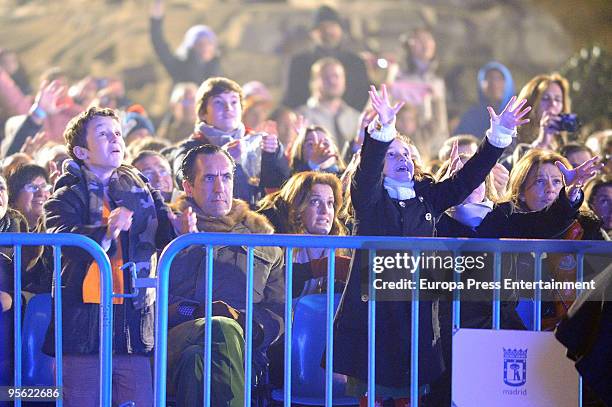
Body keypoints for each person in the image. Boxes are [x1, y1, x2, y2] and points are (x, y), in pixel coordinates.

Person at [332, 84, 530, 404]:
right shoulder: (370, 202)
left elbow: (467, 179)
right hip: (374, 318)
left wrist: (498, 136)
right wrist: (382, 130)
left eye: (408, 155)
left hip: (417, 318)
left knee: (414, 396)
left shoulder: (427, 198)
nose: (403, 160)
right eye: (393, 154)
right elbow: (365, 175)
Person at [42, 106, 192, 406]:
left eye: (118, 133)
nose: (115, 139)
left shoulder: (143, 190)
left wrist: (182, 230)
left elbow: (163, 235)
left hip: (132, 325)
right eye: (103, 133)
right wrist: (105, 233)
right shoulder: (67, 194)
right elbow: (59, 238)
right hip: (84, 328)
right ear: (81, 152)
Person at [167, 144, 284, 407]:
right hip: (173, 340)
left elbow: (278, 310)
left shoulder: (262, 239)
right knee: (219, 325)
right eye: (209, 178)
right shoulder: (166, 229)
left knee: (197, 360)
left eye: (226, 177)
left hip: (244, 349)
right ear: (188, 187)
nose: (220, 188)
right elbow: (152, 302)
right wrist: (196, 311)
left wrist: (247, 324)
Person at [171, 77, 288, 205]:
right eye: (218, 102)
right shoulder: (189, 148)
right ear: (203, 112)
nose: (228, 108)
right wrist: (220, 158)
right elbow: (182, 177)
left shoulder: (257, 142)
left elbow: (283, 184)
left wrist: (273, 153)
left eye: (234, 102)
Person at [282, 5, 370, 111]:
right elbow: (292, 98)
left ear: (340, 30)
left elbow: (364, 96)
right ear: (312, 33)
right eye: (322, 27)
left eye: (332, 26)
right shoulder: (299, 63)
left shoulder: (356, 62)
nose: (328, 31)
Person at [387, 27, 449, 159]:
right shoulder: (398, 75)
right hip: (407, 147)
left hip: (437, 147)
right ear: (409, 44)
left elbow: (441, 116)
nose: (426, 44)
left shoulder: (438, 77)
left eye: (428, 39)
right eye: (420, 40)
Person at [296, 57, 360, 154]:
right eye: (326, 77)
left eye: (336, 76)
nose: (332, 81)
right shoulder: (301, 117)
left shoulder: (355, 117)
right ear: (314, 82)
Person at [150, 0, 221, 84]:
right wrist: (156, 17)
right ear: (191, 47)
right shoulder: (178, 67)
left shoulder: (217, 69)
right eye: (200, 44)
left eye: (208, 43)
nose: (205, 48)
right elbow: (159, 43)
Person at [454, 61, 515, 138]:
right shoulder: (471, 116)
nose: (494, 83)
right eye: (488, 78)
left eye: (499, 78)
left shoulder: (517, 114)